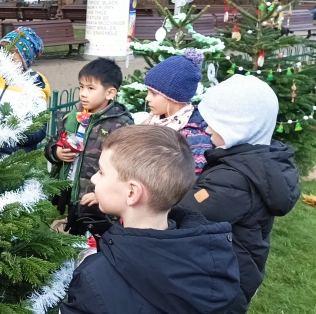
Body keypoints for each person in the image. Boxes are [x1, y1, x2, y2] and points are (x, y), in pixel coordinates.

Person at [60, 125, 240, 313]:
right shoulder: (212, 260)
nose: (95, 179)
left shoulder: (94, 276)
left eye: (102, 172)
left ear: (132, 192)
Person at [178, 75, 300, 313]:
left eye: (217, 122)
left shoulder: (233, 178)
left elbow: (185, 213)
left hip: (222, 278)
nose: (207, 127)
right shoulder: (258, 162)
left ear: (240, 128)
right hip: (240, 267)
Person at [44, 57, 133, 240]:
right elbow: (53, 142)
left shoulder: (119, 125)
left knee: (96, 238)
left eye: (91, 88)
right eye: (81, 87)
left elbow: (125, 168)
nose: (83, 94)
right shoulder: (72, 117)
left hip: (97, 197)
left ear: (110, 93)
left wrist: (103, 193)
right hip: (71, 190)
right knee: (72, 233)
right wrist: (56, 153)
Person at [142, 48, 213, 176]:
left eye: (153, 93)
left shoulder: (194, 137)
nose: (147, 98)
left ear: (173, 97)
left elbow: (191, 178)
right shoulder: (153, 120)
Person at [0, 27, 51, 154]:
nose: (8, 55)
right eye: (4, 49)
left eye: (14, 51)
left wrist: (8, 129)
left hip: (15, 158)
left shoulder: (34, 85)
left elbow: (38, 131)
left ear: (26, 57)